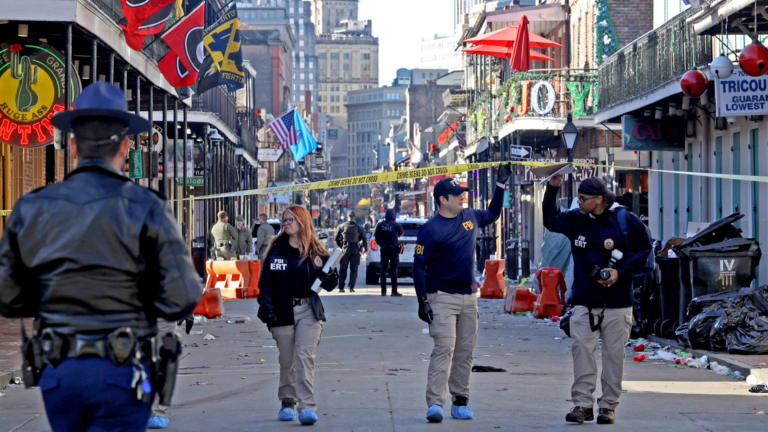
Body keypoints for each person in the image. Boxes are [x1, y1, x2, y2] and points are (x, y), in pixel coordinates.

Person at [0, 82, 201, 432]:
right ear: (125, 147)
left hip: (59, 370)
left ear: (73, 145)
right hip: (122, 367)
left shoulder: (32, 207)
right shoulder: (147, 206)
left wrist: (53, 294)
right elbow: (183, 296)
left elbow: (8, 296)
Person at [543, 176, 652, 425]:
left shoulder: (625, 220)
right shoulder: (575, 219)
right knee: (581, 350)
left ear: (600, 199)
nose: (578, 202)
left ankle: (608, 406)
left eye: (583, 199)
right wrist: (552, 188)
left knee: (614, 356)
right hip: (584, 300)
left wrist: (619, 272)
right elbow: (550, 221)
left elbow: (643, 249)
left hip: (618, 302)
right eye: (578, 197)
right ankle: (582, 404)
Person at [414, 165, 511, 423]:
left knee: (465, 351)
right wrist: (422, 301)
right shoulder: (430, 230)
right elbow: (418, 266)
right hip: (441, 298)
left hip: (469, 298)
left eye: (462, 193)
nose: (462, 197)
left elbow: (492, 213)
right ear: (442, 200)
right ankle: (435, 403)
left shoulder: (469, 216)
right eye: (456, 194)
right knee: (445, 348)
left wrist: (500, 186)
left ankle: (460, 401)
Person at [257, 205, 339, 425]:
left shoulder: (316, 251)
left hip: (308, 311)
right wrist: (266, 311)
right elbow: (265, 285)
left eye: (291, 219)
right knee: (287, 360)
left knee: (304, 358)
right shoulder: (275, 250)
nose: (286, 223)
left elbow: (330, 283)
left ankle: (307, 407)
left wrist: (330, 276)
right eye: (284, 220)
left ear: (302, 221)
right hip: (282, 311)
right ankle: (287, 401)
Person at [335, 211, 368, 293]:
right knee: (354, 270)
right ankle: (351, 287)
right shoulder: (359, 227)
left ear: (347, 217)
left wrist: (341, 246)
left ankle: (341, 287)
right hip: (355, 250)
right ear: (354, 217)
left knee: (343, 270)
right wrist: (365, 250)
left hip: (345, 250)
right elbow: (364, 238)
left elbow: (336, 238)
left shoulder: (341, 226)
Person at [373, 209, 404, 297]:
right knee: (394, 269)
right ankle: (394, 291)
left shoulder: (380, 225)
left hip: (384, 248)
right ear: (394, 216)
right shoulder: (397, 225)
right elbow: (401, 233)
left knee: (383, 269)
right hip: (394, 248)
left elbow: (377, 237)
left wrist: (382, 244)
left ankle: (383, 291)